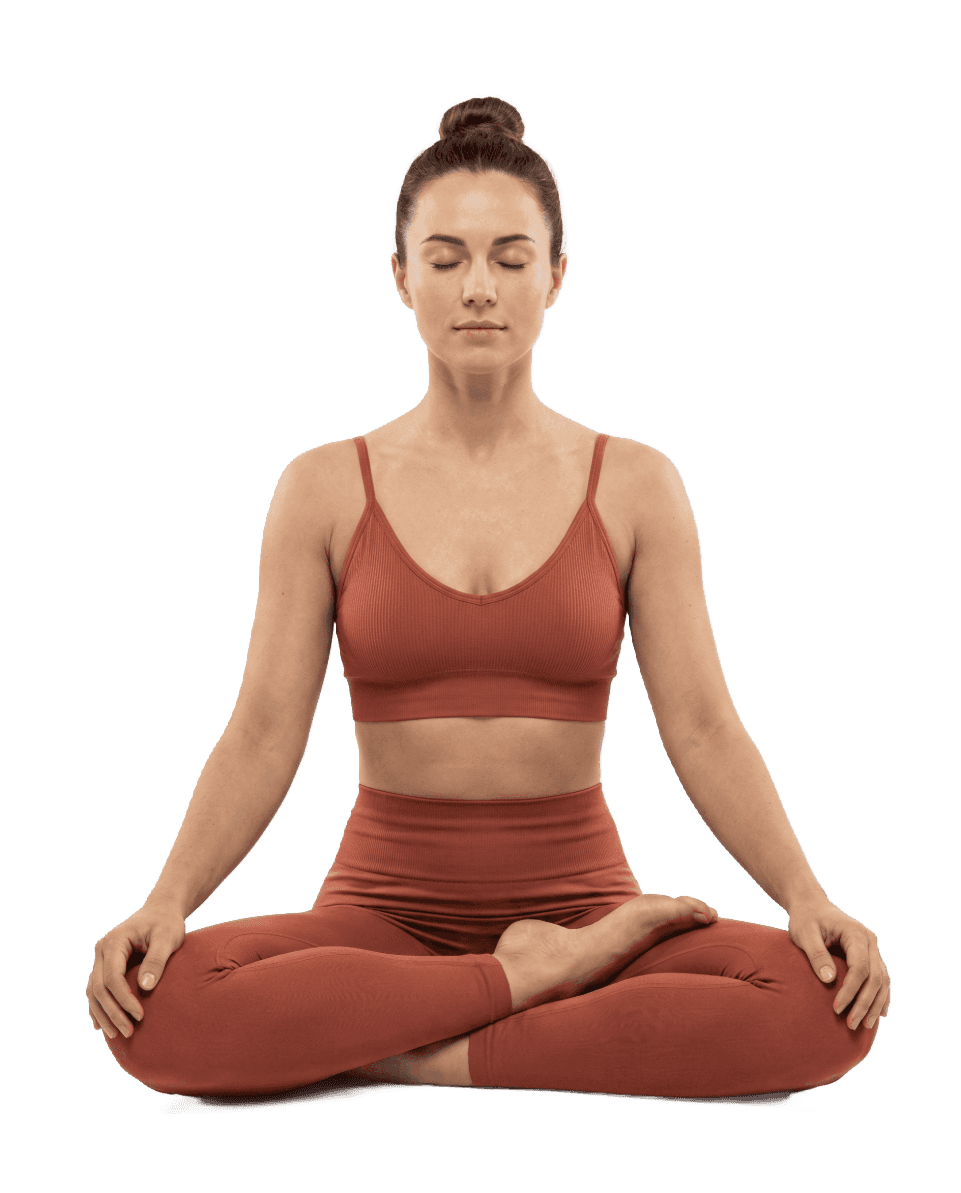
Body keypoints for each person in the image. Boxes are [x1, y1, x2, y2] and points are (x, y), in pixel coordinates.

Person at [86, 93, 890, 1101]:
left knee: (821, 1001)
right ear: (399, 273)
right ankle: (524, 986)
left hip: (589, 910)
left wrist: (806, 894)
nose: (478, 288)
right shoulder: (322, 486)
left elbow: (701, 724)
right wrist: (166, 900)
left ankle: (401, 1047)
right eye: (446, 258)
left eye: (510, 258)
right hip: (377, 917)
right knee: (156, 1002)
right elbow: (261, 731)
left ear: (556, 274)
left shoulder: (635, 482)